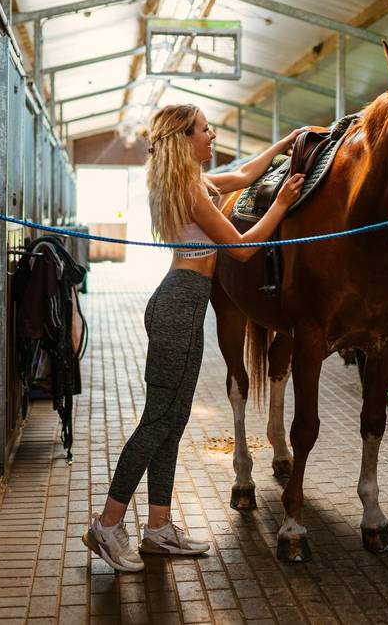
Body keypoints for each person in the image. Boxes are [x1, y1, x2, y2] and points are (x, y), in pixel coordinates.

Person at [83, 104, 305, 571]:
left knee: (174, 419)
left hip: (183, 300)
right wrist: (281, 205)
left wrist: (285, 145)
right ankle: (107, 523)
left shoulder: (192, 182)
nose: (212, 134)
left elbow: (244, 174)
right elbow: (241, 250)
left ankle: (159, 527)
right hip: (181, 304)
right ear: (185, 139)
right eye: (205, 129)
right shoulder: (189, 188)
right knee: (158, 420)